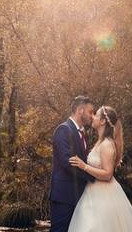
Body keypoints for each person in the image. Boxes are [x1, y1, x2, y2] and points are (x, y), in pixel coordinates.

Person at [66, 105, 132, 231]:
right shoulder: (100, 142)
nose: (93, 116)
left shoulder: (107, 144)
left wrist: (83, 166)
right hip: (93, 192)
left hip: (104, 195)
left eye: (96, 115)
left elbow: (108, 174)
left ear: (102, 121)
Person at [50, 95, 96, 232]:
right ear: (80, 110)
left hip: (79, 196)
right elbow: (67, 163)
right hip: (64, 196)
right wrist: (92, 177)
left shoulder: (83, 133)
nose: (92, 116)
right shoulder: (63, 130)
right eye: (90, 112)